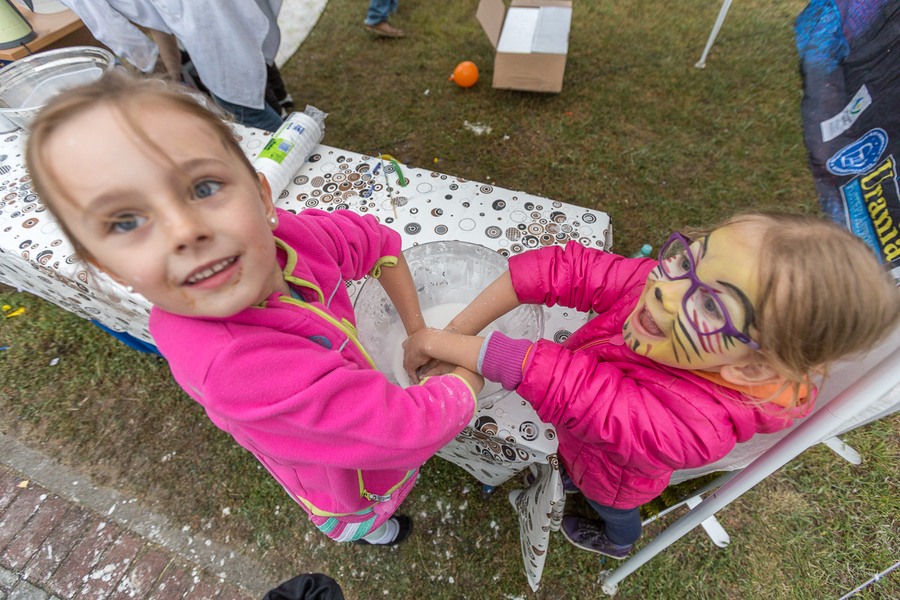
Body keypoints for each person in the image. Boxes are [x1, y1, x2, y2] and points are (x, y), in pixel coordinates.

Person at [25, 71, 483, 546]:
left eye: (204, 187)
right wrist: (472, 369)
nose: (185, 231)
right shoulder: (232, 367)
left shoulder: (292, 237)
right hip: (340, 482)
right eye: (125, 222)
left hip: (367, 421)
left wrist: (417, 331)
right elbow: (405, 427)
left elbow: (377, 244)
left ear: (263, 197)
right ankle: (374, 530)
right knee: (363, 510)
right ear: (108, 267)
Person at [403, 213, 900, 559]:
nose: (664, 289)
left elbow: (575, 391)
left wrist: (441, 343)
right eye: (688, 260)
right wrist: (456, 331)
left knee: (610, 506)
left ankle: (619, 541)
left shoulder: (696, 425)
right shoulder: (664, 292)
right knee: (574, 466)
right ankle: (578, 481)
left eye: (711, 305)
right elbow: (568, 270)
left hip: (616, 478)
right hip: (580, 445)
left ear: (750, 370)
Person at [60, 0, 288, 131]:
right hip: (214, 11)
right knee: (250, 55)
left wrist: (153, 68)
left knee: (242, 106)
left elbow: (111, 29)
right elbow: (157, 21)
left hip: (203, 16)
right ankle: (282, 108)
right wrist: (171, 70)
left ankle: (298, 155)